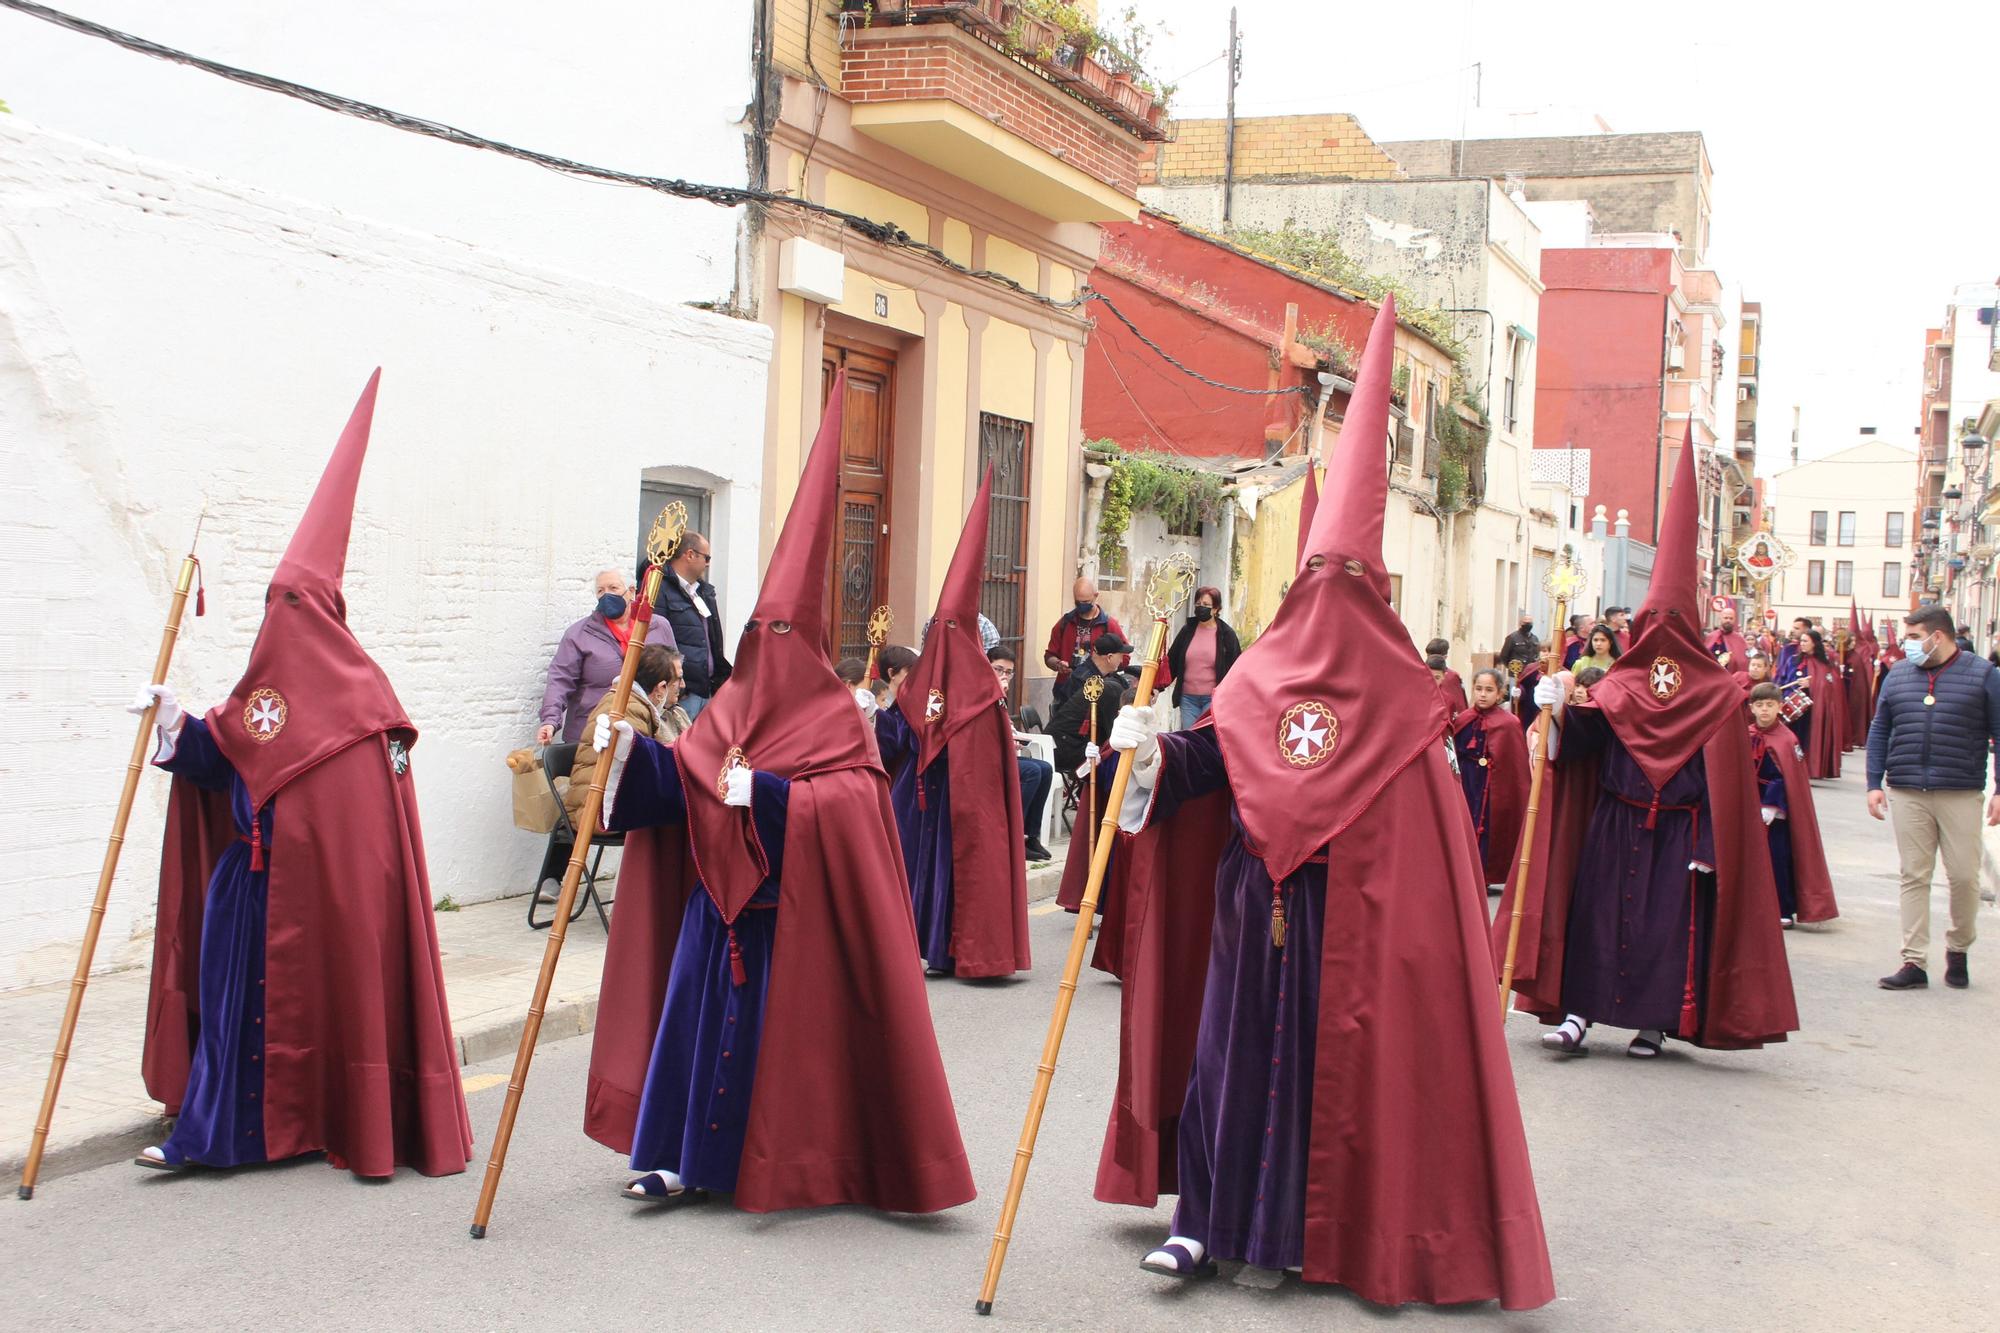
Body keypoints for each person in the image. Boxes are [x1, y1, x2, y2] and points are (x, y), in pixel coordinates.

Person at [1094, 299, 1553, 1308]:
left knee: (1328, 1088)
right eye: (1316, 576)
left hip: (1344, 932)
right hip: (1246, 913)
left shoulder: (1401, 707)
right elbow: (1208, 765)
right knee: (1226, 1066)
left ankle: (1311, 1234)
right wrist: (1145, 756)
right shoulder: (1256, 684)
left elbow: (1419, 855)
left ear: (1376, 592)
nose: (1326, 593)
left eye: (1348, 577)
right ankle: (1202, 1224)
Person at [582, 374, 974, 1213]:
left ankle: (789, 1161)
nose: (768, 647)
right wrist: (631, 755)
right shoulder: (725, 706)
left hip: (793, 921)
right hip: (713, 916)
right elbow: (686, 782)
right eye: (760, 632)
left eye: (784, 635)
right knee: (694, 1034)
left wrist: (763, 792)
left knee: (780, 1054)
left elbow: (853, 813)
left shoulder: (839, 719)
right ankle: (680, 1156)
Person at [130, 371, 470, 1178]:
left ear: (317, 613)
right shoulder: (266, 695)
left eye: (289, 599)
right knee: (235, 1019)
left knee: (324, 1013)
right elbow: (225, 755)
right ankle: (217, 1136)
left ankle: (323, 1123)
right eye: (271, 597)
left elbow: (373, 840)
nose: (274, 612)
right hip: (247, 894)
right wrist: (177, 722)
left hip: (328, 906)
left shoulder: (369, 709)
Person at [1497, 430, 1797, 1062]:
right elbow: (1582, 743)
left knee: (1664, 930)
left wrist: (1712, 845)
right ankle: (1578, 1012)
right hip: (1614, 820)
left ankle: (1654, 1022)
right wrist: (1552, 706)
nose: (1659, 637)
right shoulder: (1618, 683)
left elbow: (1729, 781)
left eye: (1671, 624)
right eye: (1649, 623)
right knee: (1598, 917)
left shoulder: (1717, 695)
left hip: (1680, 834)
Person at [873, 470, 1032, 979]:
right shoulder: (919, 684)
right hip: (926, 802)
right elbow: (897, 736)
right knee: (918, 870)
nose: (941, 638)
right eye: (935, 629)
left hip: (963, 806)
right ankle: (928, 945)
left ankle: (976, 951)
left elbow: (986, 764)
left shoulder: (986, 694)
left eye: (950, 629)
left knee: (964, 868)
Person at [1866, 606, 2000, 991]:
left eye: (1912, 637)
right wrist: (1874, 782)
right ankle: (1913, 961)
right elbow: (1879, 730)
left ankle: (1958, 949)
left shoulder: (1984, 675)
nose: (1907, 645)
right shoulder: (1898, 675)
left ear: (1937, 636)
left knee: (1962, 876)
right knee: (1914, 875)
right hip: (1908, 788)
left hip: (1960, 790)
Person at [1747, 682, 1838, 930]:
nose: (1764, 710)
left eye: (1770, 705)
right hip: (1749, 805)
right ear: (1752, 708)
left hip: (1776, 811)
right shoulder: (1747, 734)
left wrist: (1772, 805)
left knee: (1778, 858)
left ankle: (1783, 908)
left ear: (1779, 707)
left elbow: (1784, 777)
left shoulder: (1787, 739)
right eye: (1759, 705)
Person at [564, 645, 687, 822]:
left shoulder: (631, 702)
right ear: (661, 687)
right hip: (597, 812)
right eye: (679, 679)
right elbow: (639, 772)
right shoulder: (628, 708)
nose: (683, 685)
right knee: (687, 812)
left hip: (601, 804)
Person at [538, 568, 639, 744]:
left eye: (613, 588)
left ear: (631, 591)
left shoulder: (655, 627)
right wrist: (550, 721)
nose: (606, 595)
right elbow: (560, 680)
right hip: (590, 732)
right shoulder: (579, 634)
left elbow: (671, 673)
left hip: (640, 729)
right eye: (600, 591)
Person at [1453, 668, 1531, 894]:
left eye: (1489, 690)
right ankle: (1462, 872)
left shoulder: (1508, 724)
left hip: (1493, 785)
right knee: (1464, 822)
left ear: (1499, 694)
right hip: (1467, 781)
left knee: (1486, 826)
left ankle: (1484, 874)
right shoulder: (1464, 719)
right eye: (1479, 689)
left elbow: (1514, 765)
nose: (1483, 694)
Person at [653, 530, 730, 721]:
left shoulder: (704, 592)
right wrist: (677, 684)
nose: (708, 563)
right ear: (690, 554)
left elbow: (713, 641)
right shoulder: (660, 589)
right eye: (706, 557)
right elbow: (656, 645)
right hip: (682, 694)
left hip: (708, 690)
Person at [989, 646, 1056, 862]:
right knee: (1031, 772)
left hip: (1003, 752)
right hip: (986, 760)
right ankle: (1015, 834)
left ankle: (1031, 835)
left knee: (1044, 769)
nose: (1003, 676)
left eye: (1008, 672)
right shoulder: (981, 691)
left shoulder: (1000, 692)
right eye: (998, 669)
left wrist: (1011, 738)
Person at [1165, 586, 1242, 728]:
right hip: (1187, 699)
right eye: (1198, 604)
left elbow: (1236, 668)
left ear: (1216, 609)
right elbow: (1172, 661)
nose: (1201, 608)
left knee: (1206, 740)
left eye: (1206, 605)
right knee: (1190, 738)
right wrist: (1157, 687)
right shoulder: (1187, 630)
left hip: (1212, 699)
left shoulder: (1226, 635)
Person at [1045, 576, 1124, 703]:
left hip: (1097, 692)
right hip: (1066, 690)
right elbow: (1049, 656)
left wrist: (1105, 667)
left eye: (1086, 602)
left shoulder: (1109, 625)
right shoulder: (1064, 623)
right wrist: (1058, 664)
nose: (1082, 606)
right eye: (1078, 602)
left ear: (1096, 596)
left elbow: (1124, 657)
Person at [1795, 628, 1846, 779]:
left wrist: (1812, 685)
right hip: (1797, 707)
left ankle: (1813, 768)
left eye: (1805, 641)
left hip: (1815, 708)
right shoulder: (1796, 660)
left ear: (1814, 643)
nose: (1802, 644)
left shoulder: (1824, 664)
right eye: (1801, 641)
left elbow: (1829, 685)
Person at [1425, 637, 1468, 710]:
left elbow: (1459, 704)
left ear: (1445, 657)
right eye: (1428, 656)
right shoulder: (1421, 672)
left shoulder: (1452, 677)